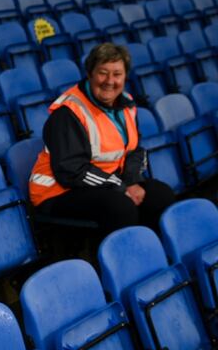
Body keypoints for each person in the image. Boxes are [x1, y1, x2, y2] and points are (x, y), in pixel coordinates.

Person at [29, 43, 175, 233]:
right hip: (58, 191)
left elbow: (134, 149)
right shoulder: (68, 112)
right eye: (103, 73)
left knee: (161, 195)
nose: (110, 81)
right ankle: (120, 252)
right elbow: (71, 170)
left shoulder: (127, 104)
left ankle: (151, 247)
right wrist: (121, 187)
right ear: (90, 74)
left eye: (117, 74)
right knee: (121, 208)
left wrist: (132, 181)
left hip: (102, 182)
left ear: (125, 76)